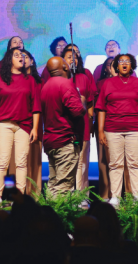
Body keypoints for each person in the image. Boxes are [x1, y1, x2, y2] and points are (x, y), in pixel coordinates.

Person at [0, 48, 41, 205]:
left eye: (23, 56)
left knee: (21, 162)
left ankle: (20, 196)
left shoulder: (30, 80)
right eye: (17, 55)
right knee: (3, 161)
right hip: (4, 124)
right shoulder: (0, 79)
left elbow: (36, 106)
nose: (21, 58)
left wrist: (35, 128)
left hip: (24, 125)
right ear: (9, 59)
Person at [97, 53, 138, 206]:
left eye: (127, 61)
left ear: (132, 64)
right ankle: (115, 196)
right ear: (117, 66)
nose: (124, 63)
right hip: (112, 129)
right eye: (121, 61)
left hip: (135, 128)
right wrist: (101, 130)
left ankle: (136, 196)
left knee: (134, 163)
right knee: (115, 163)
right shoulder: (108, 83)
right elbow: (101, 108)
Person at [40, 57, 87, 195]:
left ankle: (50, 215)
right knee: (63, 188)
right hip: (65, 141)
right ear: (65, 67)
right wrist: (82, 100)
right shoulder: (66, 84)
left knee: (54, 184)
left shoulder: (45, 87)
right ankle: (59, 215)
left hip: (51, 141)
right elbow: (77, 111)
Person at [62, 46, 95, 201]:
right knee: (67, 161)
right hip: (64, 127)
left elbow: (90, 102)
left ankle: (81, 196)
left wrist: (90, 117)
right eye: (69, 56)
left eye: (74, 57)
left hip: (82, 126)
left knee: (81, 163)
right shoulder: (59, 78)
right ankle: (66, 197)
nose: (72, 59)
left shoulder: (84, 77)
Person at [94, 57, 119, 200]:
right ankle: (104, 193)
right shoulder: (101, 83)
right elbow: (98, 106)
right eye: (110, 65)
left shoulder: (127, 82)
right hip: (103, 125)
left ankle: (117, 194)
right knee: (103, 159)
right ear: (105, 68)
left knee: (118, 161)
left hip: (120, 125)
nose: (114, 67)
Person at [22, 50, 44, 196]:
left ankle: (34, 194)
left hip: (36, 124)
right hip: (19, 123)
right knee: (17, 161)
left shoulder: (39, 82)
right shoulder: (10, 79)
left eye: (26, 57)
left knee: (35, 160)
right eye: (19, 57)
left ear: (32, 60)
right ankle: (17, 194)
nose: (23, 59)